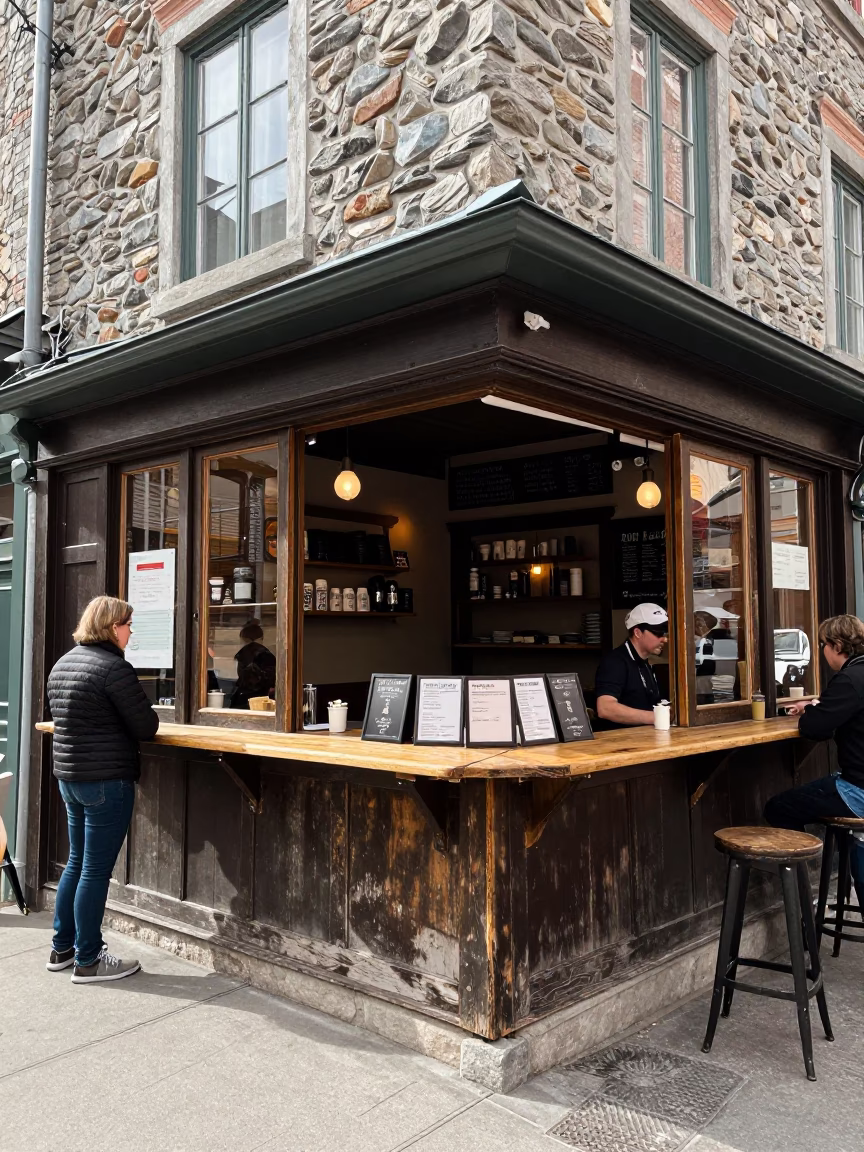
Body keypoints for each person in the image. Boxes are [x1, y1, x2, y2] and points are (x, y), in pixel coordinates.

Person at [46, 596, 159, 982]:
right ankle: (89, 960)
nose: (130, 632)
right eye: (128, 624)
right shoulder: (114, 668)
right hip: (106, 781)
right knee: (94, 870)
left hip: (70, 778)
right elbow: (146, 727)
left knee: (76, 862)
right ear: (112, 627)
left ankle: (62, 948)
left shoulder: (64, 662)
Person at [765, 614, 864, 901]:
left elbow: (814, 729)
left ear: (836, 646)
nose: (822, 651)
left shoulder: (849, 679)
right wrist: (817, 704)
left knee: (778, 808)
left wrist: (811, 711)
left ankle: (803, 901)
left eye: (823, 644)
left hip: (858, 789)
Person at [595, 603, 669, 728]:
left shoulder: (645, 662)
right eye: (658, 633)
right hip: (621, 738)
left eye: (665, 633)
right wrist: (656, 717)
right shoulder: (615, 662)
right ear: (637, 633)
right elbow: (605, 708)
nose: (664, 639)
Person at [229, 621, 276, 709]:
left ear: (244, 639)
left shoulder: (245, 654)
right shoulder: (267, 655)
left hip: (245, 700)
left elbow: (245, 678)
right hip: (265, 700)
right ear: (261, 638)